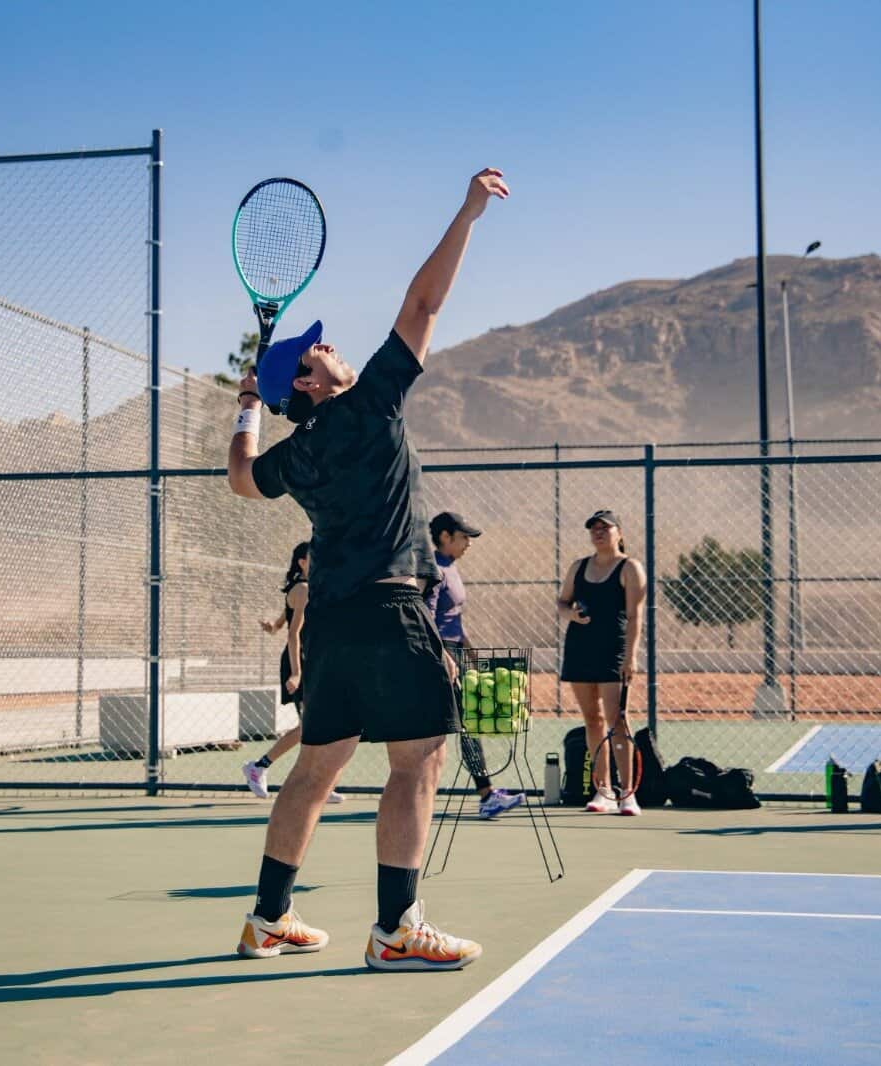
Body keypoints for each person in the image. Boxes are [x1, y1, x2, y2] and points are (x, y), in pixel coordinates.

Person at [227, 167, 509, 970]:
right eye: (317, 349)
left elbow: (241, 478)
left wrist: (248, 406)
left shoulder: (296, 455)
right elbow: (423, 306)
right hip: (389, 612)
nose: (329, 344)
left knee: (317, 767)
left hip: (334, 625)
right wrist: (467, 213)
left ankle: (267, 919)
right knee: (419, 758)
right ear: (310, 382)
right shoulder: (368, 404)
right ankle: (397, 929)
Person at [427, 510, 524, 821]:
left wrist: (470, 652)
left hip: (454, 652)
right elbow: (427, 618)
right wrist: (444, 656)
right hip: (441, 655)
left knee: (462, 724)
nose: (469, 542)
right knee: (457, 725)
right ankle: (485, 796)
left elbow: (453, 617)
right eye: (463, 536)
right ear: (445, 537)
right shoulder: (433, 569)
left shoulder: (450, 567)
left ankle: (484, 794)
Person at [556, 509, 648, 816]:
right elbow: (562, 602)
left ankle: (628, 793)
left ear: (619, 533)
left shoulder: (630, 568)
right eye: (593, 528)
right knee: (592, 720)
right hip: (580, 650)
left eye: (605, 528)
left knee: (616, 720)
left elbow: (635, 616)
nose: (598, 532)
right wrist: (570, 614)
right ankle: (604, 790)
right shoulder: (579, 566)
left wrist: (630, 656)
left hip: (613, 652)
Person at [244, 542, 344, 804]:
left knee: (319, 724)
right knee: (310, 726)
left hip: (314, 661)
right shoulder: (304, 589)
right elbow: (293, 634)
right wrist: (297, 673)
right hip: (299, 662)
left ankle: (318, 782)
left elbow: (283, 622)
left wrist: (272, 626)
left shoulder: (307, 588)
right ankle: (259, 767)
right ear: (302, 562)